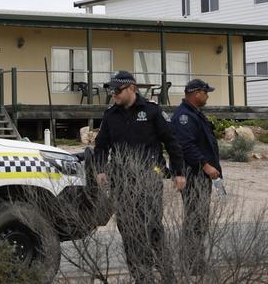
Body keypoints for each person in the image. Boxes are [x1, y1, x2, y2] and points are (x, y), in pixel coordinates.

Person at [93, 70, 186, 283]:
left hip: (148, 178)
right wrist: (99, 169)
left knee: (152, 227)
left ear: (132, 88)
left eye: (118, 89)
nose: (113, 94)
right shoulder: (110, 115)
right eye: (111, 89)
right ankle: (142, 278)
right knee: (128, 230)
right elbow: (100, 147)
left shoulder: (151, 111)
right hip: (121, 183)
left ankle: (168, 276)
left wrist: (179, 173)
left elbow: (172, 142)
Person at [171, 78, 221, 274]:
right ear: (196, 93)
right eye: (205, 92)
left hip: (202, 175)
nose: (207, 95)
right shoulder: (184, 117)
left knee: (199, 219)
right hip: (194, 175)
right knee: (195, 219)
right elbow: (186, 146)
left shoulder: (195, 114)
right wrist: (205, 165)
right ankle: (192, 264)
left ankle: (194, 262)